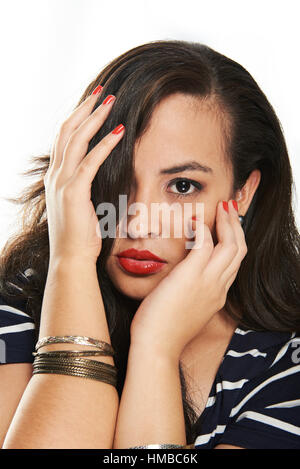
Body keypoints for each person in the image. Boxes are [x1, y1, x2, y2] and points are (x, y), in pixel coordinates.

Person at [0, 39, 299, 449]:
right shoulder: (14, 309)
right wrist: (71, 262)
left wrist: (155, 347)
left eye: (182, 185)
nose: (138, 223)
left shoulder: (287, 363)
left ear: (243, 191)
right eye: (115, 176)